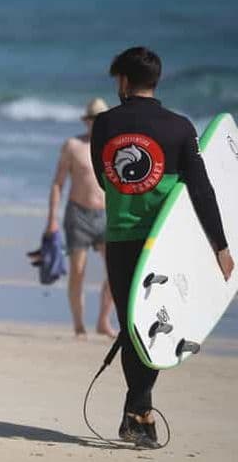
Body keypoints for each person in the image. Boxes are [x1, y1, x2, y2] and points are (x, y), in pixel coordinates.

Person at [91, 46, 234, 447]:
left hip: (121, 237)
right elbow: (202, 190)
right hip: (170, 244)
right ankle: (138, 413)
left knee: (134, 326)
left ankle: (138, 413)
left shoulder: (104, 124)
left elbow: (106, 180)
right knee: (148, 327)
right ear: (156, 81)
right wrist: (220, 245)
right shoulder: (180, 127)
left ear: (122, 80)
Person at [45, 98, 117, 339]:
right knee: (78, 270)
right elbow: (58, 183)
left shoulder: (115, 147)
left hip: (107, 215)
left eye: (102, 119)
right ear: (87, 121)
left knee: (116, 271)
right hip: (78, 214)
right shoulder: (73, 145)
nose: (97, 123)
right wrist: (51, 219)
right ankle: (78, 324)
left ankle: (103, 320)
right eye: (94, 119)